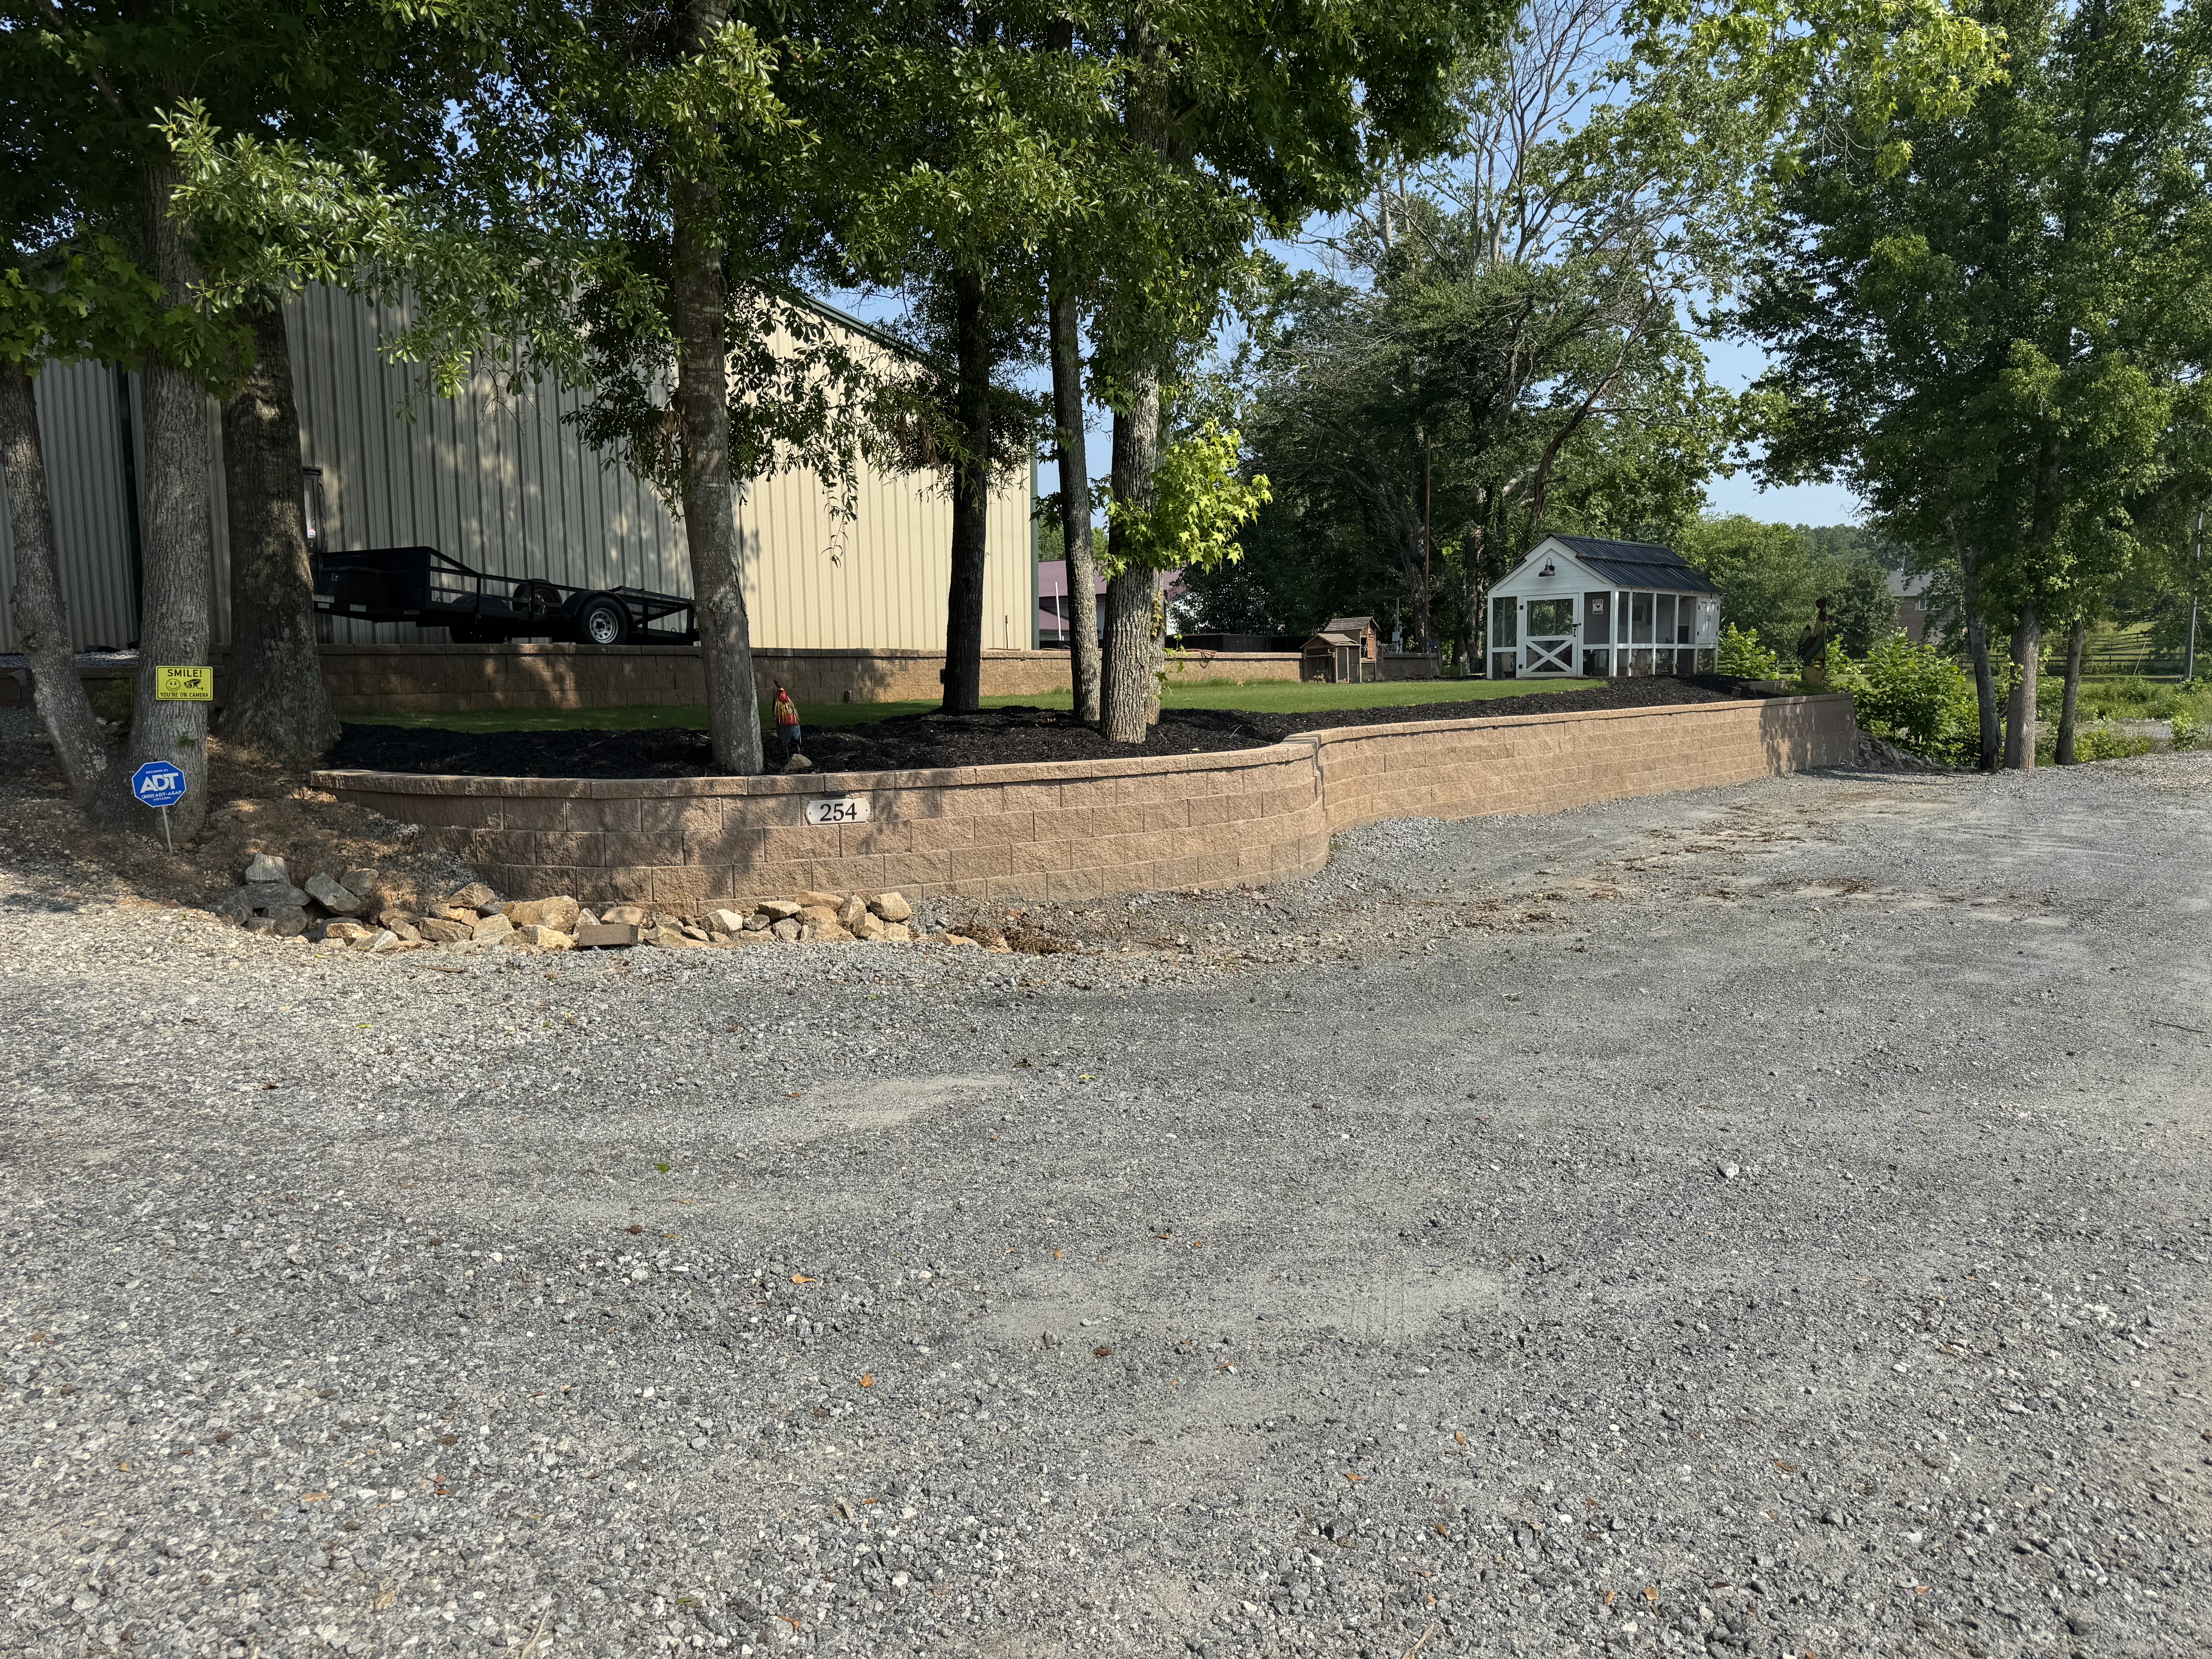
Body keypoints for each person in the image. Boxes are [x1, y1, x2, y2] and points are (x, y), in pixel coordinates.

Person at [771, 684, 802, 761]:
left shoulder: (784, 705)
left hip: (789, 725)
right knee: (791, 741)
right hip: (788, 725)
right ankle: (796, 755)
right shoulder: (781, 706)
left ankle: (797, 755)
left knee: (789, 740)